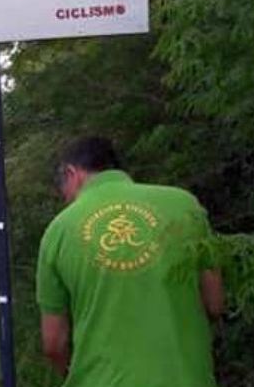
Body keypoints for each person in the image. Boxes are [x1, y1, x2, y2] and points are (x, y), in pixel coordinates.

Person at [36, 136, 224, 387]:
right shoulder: (184, 204)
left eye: (63, 188)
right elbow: (215, 303)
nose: (65, 199)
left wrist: (73, 375)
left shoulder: (58, 231)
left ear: (72, 173)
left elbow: (53, 343)